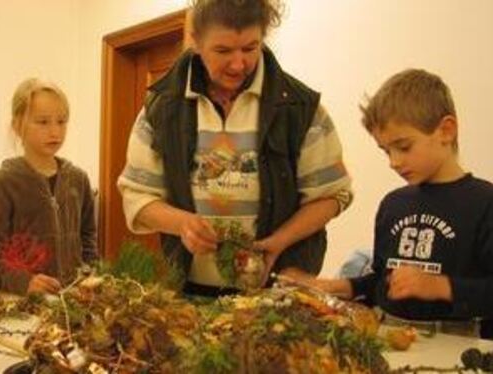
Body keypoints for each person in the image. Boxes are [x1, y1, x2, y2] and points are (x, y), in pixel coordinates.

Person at [117, 0, 352, 296]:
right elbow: (138, 196)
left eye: (250, 48)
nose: (239, 63)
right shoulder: (162, 108)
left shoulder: (300, 108)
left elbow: (332, 196)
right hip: (190, 291)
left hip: (278, 290)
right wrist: (183, 224)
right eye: (223, 51)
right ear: (196, 43)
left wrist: (280, 240)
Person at [308, 69, 493, 335]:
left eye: (404, 147)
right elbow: (384, 283)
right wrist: (343, 287)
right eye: (386, 150)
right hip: (392, 334)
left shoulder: (488, 203)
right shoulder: (393, 204)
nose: (393, 161)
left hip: (458, 341)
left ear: (446, 131)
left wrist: (441, 286)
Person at [0, 78, 97, 295]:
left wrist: (90, 275)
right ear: (17, 125)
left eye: (61, 121)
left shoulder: (78, 180)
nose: (55, 132)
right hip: (20, 304)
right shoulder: (3, 184)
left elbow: (88, 239)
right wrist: (24, 282)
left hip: (72, 300)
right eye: (43, 122)